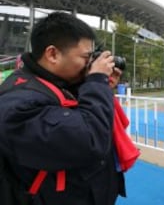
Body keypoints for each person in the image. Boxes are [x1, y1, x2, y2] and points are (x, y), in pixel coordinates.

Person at [0, 12, 126, 204]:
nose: (89, 64)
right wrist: (96, 82)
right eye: (86, 57)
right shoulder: (18, 104)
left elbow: (71, 109)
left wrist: (101, 86)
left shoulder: (53, 82)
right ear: (52, 54)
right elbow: (89, 141)